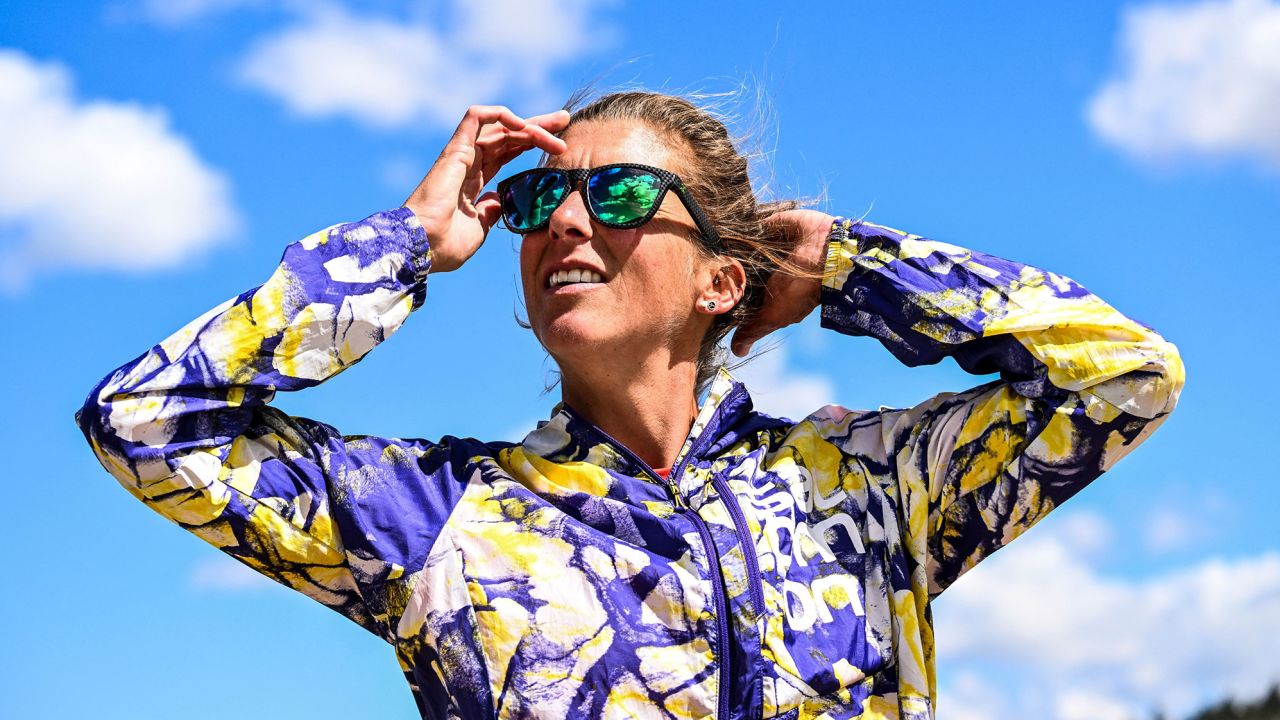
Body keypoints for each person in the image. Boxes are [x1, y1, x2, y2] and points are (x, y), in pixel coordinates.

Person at [74, 92, 1184, 720]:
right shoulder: (438, 522)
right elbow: (145, 420)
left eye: (613, 194)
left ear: (721, 279)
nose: (565, 221)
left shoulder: (871, 490)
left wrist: (850, 264)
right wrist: (404, 245)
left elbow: (1124, 375)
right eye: (537, 197)